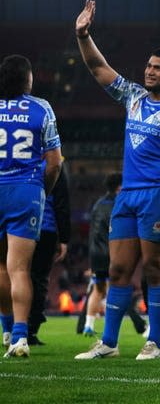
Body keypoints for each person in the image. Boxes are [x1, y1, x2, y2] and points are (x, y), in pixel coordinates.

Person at [74, 0, 160, 360]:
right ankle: (109, 344)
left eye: (158, 68)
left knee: (156, 268)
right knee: (117, 270)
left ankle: (153, 342)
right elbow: (98, 67)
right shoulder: (133, 97)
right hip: (127, 195)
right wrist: (83, 35)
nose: (149, 72)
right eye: (148, 65)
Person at [0, 54, 62, 358]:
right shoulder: (41, 107)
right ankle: (21, 337)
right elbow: (55, 163)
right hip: (26, 191)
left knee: (0, 268)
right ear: (28, 79)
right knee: (20, 268)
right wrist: (42, 190)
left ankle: (7, 329)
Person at [81, 172, 146, 337]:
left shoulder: (97, 204)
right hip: (111, 251)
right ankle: (136, 325)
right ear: (119, 187)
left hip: (95, 252)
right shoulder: (118, 204)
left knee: (98, 288)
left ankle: (88, 325)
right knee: (116, 289)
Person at [28, 161, 70, 345]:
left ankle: (13, 326)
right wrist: (64, 238)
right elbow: (62, 201)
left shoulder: (21, 157)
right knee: (39, 278)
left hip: (18, 224)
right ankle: (30, 329)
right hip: (46, 227)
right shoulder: (56, 162)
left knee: (15, 273)